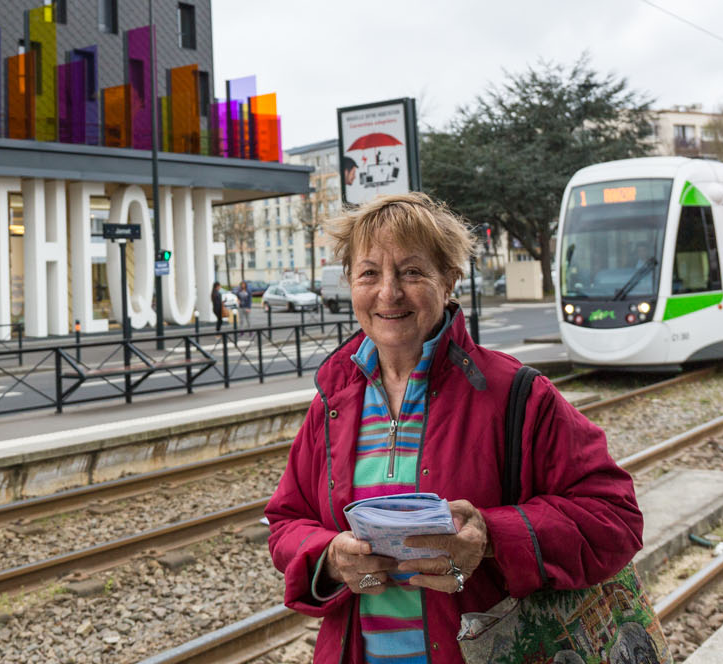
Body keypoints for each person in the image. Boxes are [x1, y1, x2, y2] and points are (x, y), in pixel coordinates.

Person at [266, 192, 642, 663]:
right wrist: (328, 555)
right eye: (369, 273)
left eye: (412, 272)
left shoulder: (515, 394)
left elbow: (615, 517)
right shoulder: (333, 401)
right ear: (350, 284)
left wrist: (491, 537)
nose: (389, 292)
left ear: (449, 280)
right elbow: (285, 522)